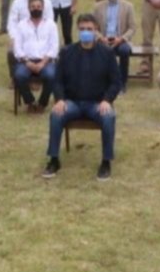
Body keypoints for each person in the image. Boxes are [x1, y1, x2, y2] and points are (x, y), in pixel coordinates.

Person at [42, 14, 121, 182]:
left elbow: (116, 82)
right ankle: (54, 159)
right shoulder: (67, 52)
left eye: (90, 29)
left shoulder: (107, 54)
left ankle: (106, 161)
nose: (86, 32)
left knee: (109, 117)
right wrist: (60, 99)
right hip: (72, 103)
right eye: (83, 29)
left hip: (97, 104)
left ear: (96, 31)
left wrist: (107, 100)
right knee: (56, 115)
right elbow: (57, 81)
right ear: (77, 30)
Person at [12, 0, 59, 113]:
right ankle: (30, 102)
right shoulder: (21, 25)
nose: (36, 9)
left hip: (46, 61)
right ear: (28, 8)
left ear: (43, 8)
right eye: (33, 7)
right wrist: (28, 62)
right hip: (26, 61)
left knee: (51, 75)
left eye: (38, 7)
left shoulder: (51, 25)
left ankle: (42, 103)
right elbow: (17, 48)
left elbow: (54, 47)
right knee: (19, 75)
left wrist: (43, 62)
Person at [92, 0, 136, 84]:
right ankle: (102, 81)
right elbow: (93, 27)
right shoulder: (98, 7)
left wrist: (121, 39)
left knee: (124, 51)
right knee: (97, 50)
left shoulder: (128, 6)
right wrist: (101, 38)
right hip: (104, 39)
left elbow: (132, 28)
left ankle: (122, 82)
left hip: (121, 40)